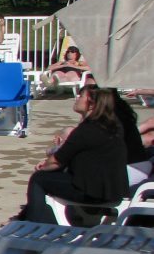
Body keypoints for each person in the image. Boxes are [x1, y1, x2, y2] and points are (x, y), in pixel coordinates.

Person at [12, 85, 129, 224]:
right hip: (115, 190)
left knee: (39, 179)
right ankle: (30, 216)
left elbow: (57, 160)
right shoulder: (113, 125)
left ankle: (34, 222)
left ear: (91, 103)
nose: (77, 98)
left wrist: (44, 166)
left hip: (92, 192)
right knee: (54, 176)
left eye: (81, 96)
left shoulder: (87, 130)